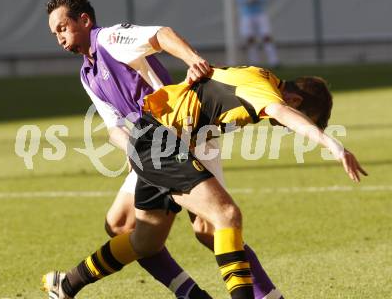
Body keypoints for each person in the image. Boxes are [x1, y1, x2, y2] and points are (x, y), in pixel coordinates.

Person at [41, 65, 367, 299]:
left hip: (158, 136)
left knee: (145, 243)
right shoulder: (265, 92)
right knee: (226, 216)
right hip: (161, 141)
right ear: (295, 102)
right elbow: (282, 114)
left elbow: (208, 84)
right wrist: (333, 146)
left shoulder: (258, 73)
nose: (284, 126)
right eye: (301, 116)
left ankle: (66, 285)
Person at [44, 0, 282, 299]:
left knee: (211, 230)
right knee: (120, 224)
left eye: (62, 27)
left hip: (185, 136)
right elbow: (114, 127)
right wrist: (132, 150)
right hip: (150, 146)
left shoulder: (110, 39)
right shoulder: (87, 74)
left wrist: (193, 60)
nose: (59, 37)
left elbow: (161, 35)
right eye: (54, 33)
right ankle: (190, 295)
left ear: (84, 20)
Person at [236, 0, 279, 67]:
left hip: (260, 12)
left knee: (266, 36)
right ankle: (254, 62)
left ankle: (274, 61)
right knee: (250, 38)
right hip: (247, 14)